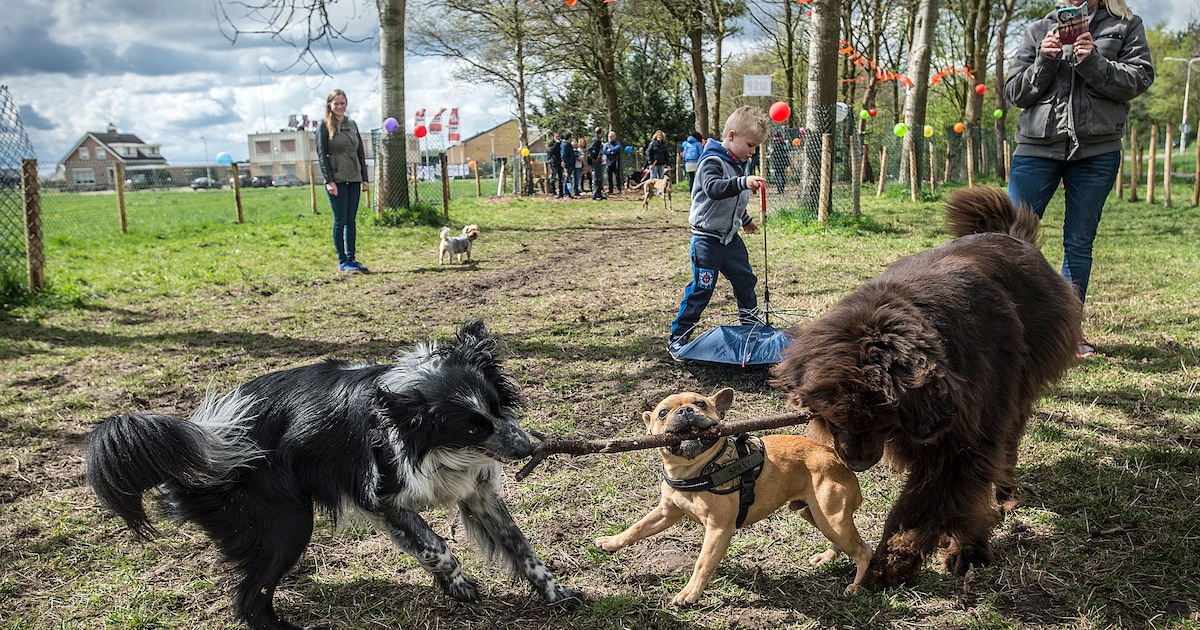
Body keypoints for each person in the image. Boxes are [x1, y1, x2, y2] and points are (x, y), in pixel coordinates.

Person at [1004, 0, 1153, 358]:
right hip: (1037, 148)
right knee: (1009, 238)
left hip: (1097, 151)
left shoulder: (1125, 26)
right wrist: (1044, 60)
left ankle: (1067, 332)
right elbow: (1015, 93)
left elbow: (1139, 79)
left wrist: (1094, 62)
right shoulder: (1038, 30)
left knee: (1079, 242)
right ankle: (1007, 328)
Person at [667, 106, 769, 359]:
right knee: (702, 290)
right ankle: (677, 339)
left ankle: (750, 330)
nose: (753, 151)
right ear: (731, 136)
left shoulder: (739, 163)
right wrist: (742, 182)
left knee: (746, 282)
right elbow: (714, 189)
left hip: (729, 239)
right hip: (706, 241)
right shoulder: (710, 161)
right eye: (751, 145)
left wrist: (745, 219)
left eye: (756, 147)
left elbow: (732, 201)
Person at [315, 89, 370, 273]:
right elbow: (322, 155)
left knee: (351, 220)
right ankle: (342, 260)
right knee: (340, 220)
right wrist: (329, 181)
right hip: (336, 180)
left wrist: (364, 178)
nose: (339, 107)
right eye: (336, 103)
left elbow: (360, 152)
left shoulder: (352, 124)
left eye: (342, 103)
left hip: (353, 178)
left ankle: (352, 258)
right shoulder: (324, 126)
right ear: (329, 105)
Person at [588, 127, 606, 200]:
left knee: (599, 178)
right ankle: (595, 195)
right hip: (595, 162)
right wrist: (594, 159)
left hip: (598, 161)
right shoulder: (595, 140)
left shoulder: (598, 140)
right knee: (595, 178)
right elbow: (592, 150)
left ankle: (599, 194)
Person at [559, 131, 577, 198]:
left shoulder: (568, 144)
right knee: (566, 179)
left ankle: (569, 193)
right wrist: (566, 165)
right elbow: (564, 156)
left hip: (571, 164)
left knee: (569, 179)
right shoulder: (564, 145)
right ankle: (565, 194)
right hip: (567, 165)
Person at [547, 132, 563, 198]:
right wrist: (556, 143)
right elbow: (551, 151)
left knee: (561, 178)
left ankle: (561, 192)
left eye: (559, 136)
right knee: (553, 178)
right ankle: (553, 192)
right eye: (556, 136)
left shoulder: (562, 143)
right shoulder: (551, 143)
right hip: (554, 163)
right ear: (554, 136)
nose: (558, 137)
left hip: (560, 163)